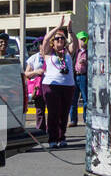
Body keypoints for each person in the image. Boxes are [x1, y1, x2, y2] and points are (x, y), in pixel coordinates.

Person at [25, 18, 76, 149]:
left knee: (64, 114)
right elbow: (46, 39)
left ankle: (61, 137)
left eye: (62, 39)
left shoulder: (67, 52)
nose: (60, 40)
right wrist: (57, 27)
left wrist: (70, 31)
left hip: (68, 85)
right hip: (51, 85)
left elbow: (75, 43)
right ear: (53, 42)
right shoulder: (48, 52)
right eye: (57, 38)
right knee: (53, 113)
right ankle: (52, 138)